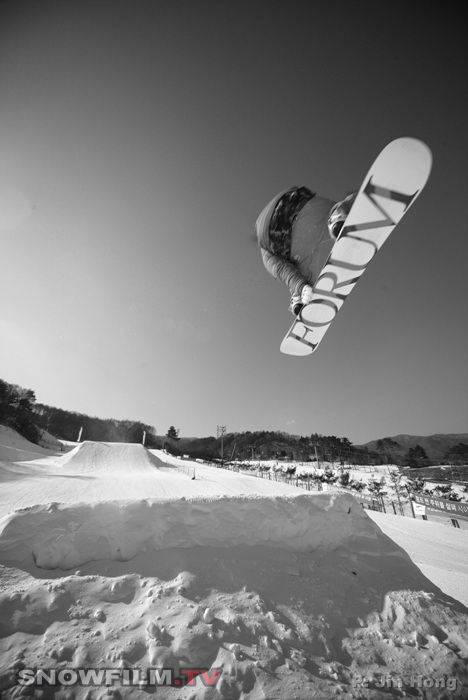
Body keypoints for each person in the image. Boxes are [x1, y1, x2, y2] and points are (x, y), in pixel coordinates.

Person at [256, 186, 356, 316]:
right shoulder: (268, 253)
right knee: (339, 212)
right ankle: (339, 214)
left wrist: (301, 286)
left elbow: (281, 271)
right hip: (294, 205)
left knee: (303, 272)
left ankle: (300, 296)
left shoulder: (266, 255)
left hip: (273, 237)